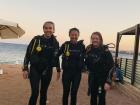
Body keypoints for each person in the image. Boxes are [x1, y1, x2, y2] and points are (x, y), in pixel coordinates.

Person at [22, 21, 60, 105]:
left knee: (43, 93)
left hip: (47, 70)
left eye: (50, 28)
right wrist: (25, 68)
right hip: (35, 69)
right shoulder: (36, 40)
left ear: (53, 30)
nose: (48, 30)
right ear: (43, 29)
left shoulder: (55, 43)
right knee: (35, 93)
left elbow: (56, 57)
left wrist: (58, 70)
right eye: (46, 28)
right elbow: (28, 54)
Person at [85, 32, 114, 105]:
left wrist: (108, 82)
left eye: (96, 38)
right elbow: (85, 61)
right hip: (92, 78)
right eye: (93, 38)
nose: (95, 40)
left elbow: (111, 66)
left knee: (101, 97)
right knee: (93, 97)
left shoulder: (105, 51)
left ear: (100, 39)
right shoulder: (89, 49)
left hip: (102, 79)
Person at [58, 28, 85, 105]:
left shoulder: (82, 46)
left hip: (77, 74)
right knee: (65, 92)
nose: (74, 36)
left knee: (74, 93)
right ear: (69, 35)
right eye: (72, 35)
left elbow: (87, 58)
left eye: (75, 35)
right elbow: (56, 55)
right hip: (67, 73)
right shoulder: (65, 45)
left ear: (78, 35)